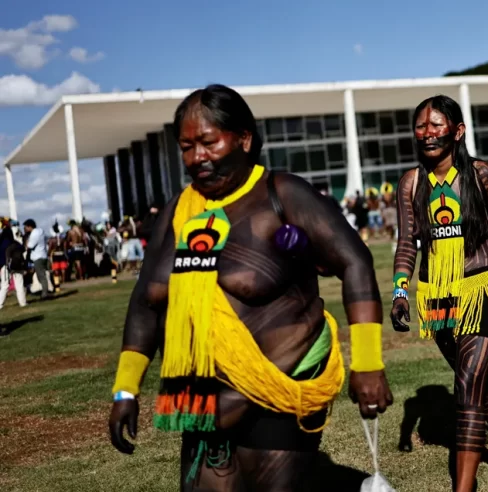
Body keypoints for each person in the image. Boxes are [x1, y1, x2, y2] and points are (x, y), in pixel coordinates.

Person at [108, 84, 393, 491]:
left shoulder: (283, 194)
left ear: (243, 138)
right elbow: (146, 303)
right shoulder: (176, 213)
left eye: (208, 142)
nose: (197, 157)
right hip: (202, 399)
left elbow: (355, 262)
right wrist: (125, 390)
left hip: (277, 391)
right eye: (186, 147)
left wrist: (367, 362)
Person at [390, 95, 488, 492]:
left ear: (457, 131)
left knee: (466, 385)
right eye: (421, 126)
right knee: (476, 383)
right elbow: (407, 244)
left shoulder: (480, 175)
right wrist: (400, 291)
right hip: (438, 297)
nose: (428, 132)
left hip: (481, 290)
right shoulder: (410, 183)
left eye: (436, 125)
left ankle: (463, 488)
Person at [0, 222, 26, 309]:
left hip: (4, 266)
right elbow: (23, 248)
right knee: (19, 284)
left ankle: (0, 304)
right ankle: (23, 303)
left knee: (4, 285)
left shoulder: (1, 243)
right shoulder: (14, 243)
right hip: (16, 265)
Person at [23, 219, 50, 300]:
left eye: (26, 227)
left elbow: (30, 246)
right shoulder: (41, 231)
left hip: (37, 257)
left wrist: (27, 241)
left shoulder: (34, 233)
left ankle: (45, 294)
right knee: (42, 276)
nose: (25, 229)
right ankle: (44, 292)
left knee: (41, 276)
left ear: (30, 226)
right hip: (43, 255)